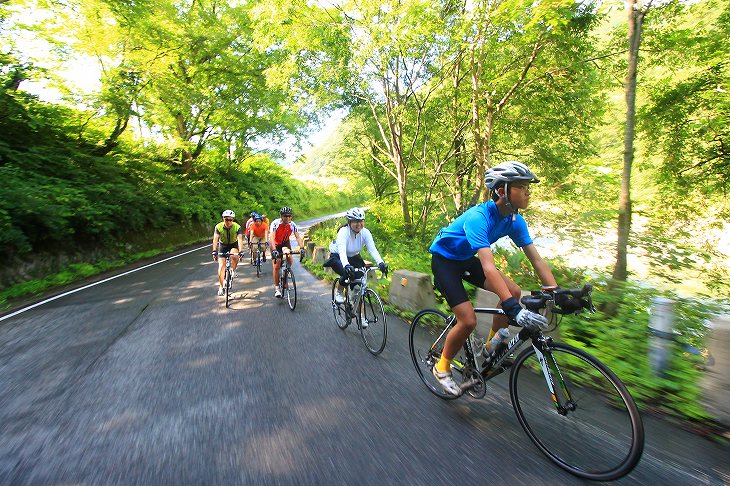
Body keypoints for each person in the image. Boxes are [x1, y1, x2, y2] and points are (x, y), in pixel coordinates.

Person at [428, 161, 558, 395]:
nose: (528, 192)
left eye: (529, 187)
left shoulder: (514, 221)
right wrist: (512, 309)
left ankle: (490, 347)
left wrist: (554, 290)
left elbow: (536, 260)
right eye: (522, 186)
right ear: (502, 191)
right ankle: (442, 367)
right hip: (445, 261)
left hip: (466, 259)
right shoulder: (479, 218)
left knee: (515, 292)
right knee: (468, 320)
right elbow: (489, 267)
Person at [327, 207, 388, 309]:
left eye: (361, 221)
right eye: (355, 221)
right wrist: (346, 265)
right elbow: (342, 252)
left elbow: (372, 249)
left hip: (354, 256)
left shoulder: (365, 233)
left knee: (360, 281)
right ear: (350, 222)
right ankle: (339, 292)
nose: (359, 224)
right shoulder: (343, 232)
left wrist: (381, 263)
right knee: (346, 273)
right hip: (337, 256)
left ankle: (356, 305)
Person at [269, 206, 305, 298]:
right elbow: (272, 238)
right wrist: (273, 250)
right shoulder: (275, 223)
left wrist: (301, 248)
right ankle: (277, 288)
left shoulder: (292, 224)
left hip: (285, 242)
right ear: (281, 216)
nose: (288, 218)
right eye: (285, 216)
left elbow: (297, 237)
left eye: (289, 216)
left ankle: (286, 273)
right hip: (275, 244)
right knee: (277, 265)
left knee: (288, 255)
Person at [211, 210, 245, 296]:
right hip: (223, 245)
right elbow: (215, 239)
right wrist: (214, 251)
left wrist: (241, 251)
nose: (229, 222)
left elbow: (240, 239)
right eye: (227, 220)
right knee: (221, 266)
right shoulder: (218, 227)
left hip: (233, 244)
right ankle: (221, 286)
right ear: (223, 219)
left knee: (234, 256)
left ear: (233, 220)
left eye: (231, 220)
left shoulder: (237, 227)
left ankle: (232, 270)